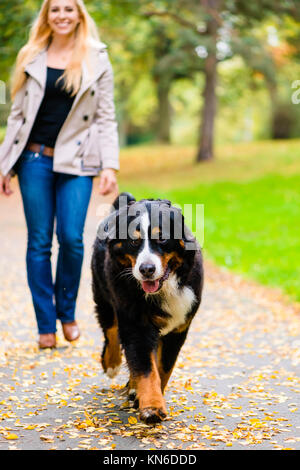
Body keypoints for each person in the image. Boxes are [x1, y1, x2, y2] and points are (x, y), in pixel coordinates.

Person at [0, 0, 119, 349]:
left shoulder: (97, 57)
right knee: (39, 241)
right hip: (33, 158)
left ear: (79, 15)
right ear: (46, 16)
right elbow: (17, 116)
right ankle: (45, 324)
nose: (62, 15)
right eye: (55, 10)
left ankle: (67, 312)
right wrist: (5, 163)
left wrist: (109, 165)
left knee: (71, 238)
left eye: (69, 9)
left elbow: (105, 117)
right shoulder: (30, 55)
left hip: (78, 161)